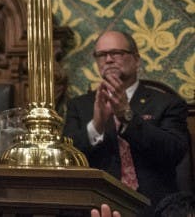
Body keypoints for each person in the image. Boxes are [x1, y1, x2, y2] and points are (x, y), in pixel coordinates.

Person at [63, 30, 188, 215]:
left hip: (154, 207)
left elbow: (174, 152)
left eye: (116, 53)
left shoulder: (167, 103)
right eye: (102, 55)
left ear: (136, 59)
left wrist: (127, 117)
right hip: (96, 207)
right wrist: (96, 126)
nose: (108, 59)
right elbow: (66, 158)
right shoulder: (79, 106)